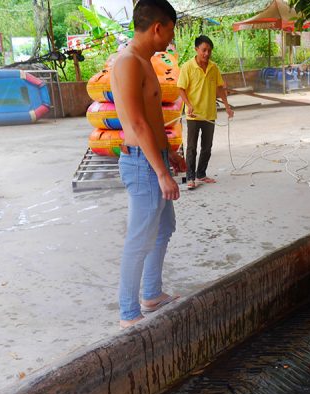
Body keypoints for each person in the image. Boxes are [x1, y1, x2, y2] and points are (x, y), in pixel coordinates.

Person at [112, 0, 186, 329]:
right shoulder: (128, 62)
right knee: (139, 239)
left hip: (154, 158)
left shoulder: (143, 61)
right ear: (158, 27)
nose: (170, 40)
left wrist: (168, 152)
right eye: (170, 32)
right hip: (142, 165)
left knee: (164, 228)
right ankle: (129, 313)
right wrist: (160, 173)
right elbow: (138, 123)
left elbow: (154, 117)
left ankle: (151, 293)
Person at [177, 35, 234, 190]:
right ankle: (190, 177)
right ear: (196, 50)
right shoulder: (187, 67)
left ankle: (201, 174)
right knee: (191, 147)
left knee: (207, 147)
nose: (207, 53)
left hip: (209, 114)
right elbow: (181, 88)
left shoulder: (213, 68)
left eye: (209, 50)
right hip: (193, 114)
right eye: (204, 50)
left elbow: (220, 88)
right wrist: (188, 105)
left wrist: (227, 107)